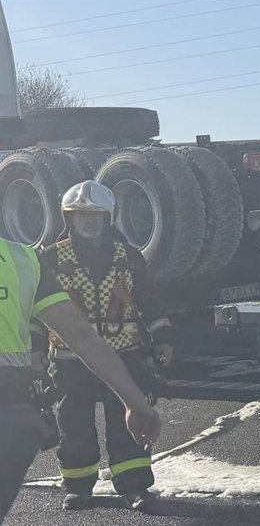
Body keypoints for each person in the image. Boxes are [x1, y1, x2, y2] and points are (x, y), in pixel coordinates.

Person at [1, 234, 160, 520]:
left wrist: (134, 400)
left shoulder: (27, 260)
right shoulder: (22, 259)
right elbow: (82, 335)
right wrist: (134, 401)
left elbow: (82, 334)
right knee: (73, 422)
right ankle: (79, 482)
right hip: (11, 420)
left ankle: (125, 482)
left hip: (12, 418)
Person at [38, 181, 173, 512]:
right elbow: (35, 309)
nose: (87, 221)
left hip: (124, 355)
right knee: (73, 424)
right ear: (68, 219)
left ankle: (135, 487)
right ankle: (78, 487)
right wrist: (35, 354)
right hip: (69, 359)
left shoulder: (128, 256)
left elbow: (149, 300)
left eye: (94, 216)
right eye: (79, 215)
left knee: (128, 423)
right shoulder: (50, 258)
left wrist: (164, 338)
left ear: (108, 219)